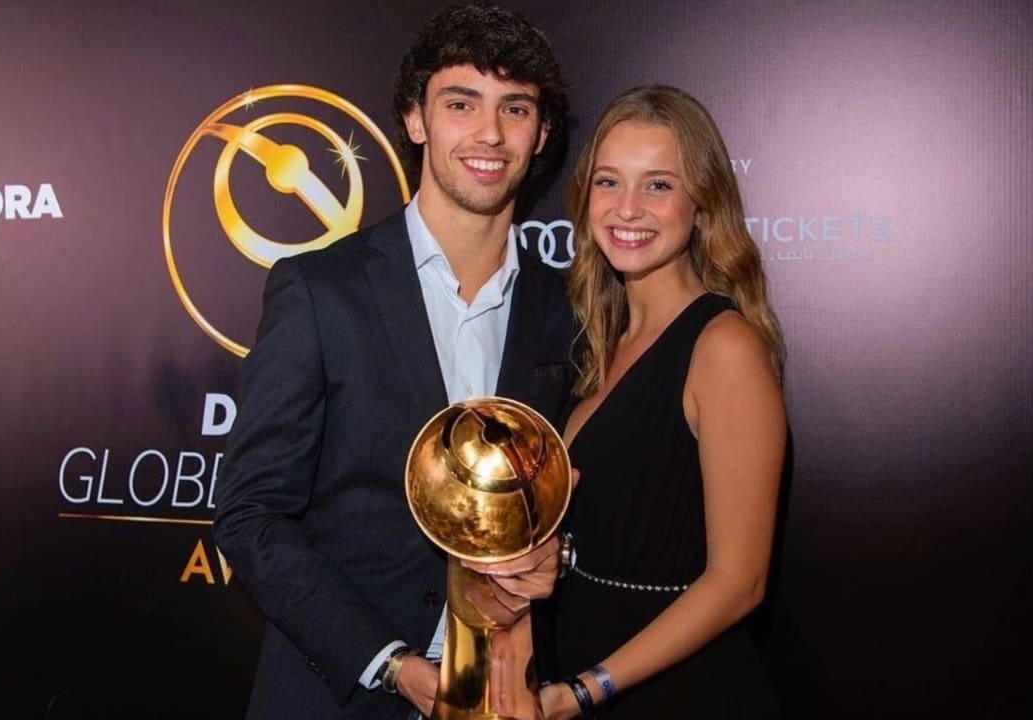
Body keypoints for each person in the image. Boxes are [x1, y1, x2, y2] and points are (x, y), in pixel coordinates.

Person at [213, 5, 575, 719]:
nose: (490, 134)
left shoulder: (568, 311)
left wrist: (555, 554)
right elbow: (250, 515)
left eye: (516, 108)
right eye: (461, 103)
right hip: (341, 695)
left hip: (506, 696)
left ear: (541, 136)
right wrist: (392, 664)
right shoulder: (320, 290)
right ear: (415, 119)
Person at [540, 86, 788, 718]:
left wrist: (585, 690)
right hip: (584, 675)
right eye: (608, 182)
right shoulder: (601, 340)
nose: (627, 209)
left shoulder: (722, 346)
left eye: (657, 185)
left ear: (701, 203)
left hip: (676, 692)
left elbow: (739, 583)